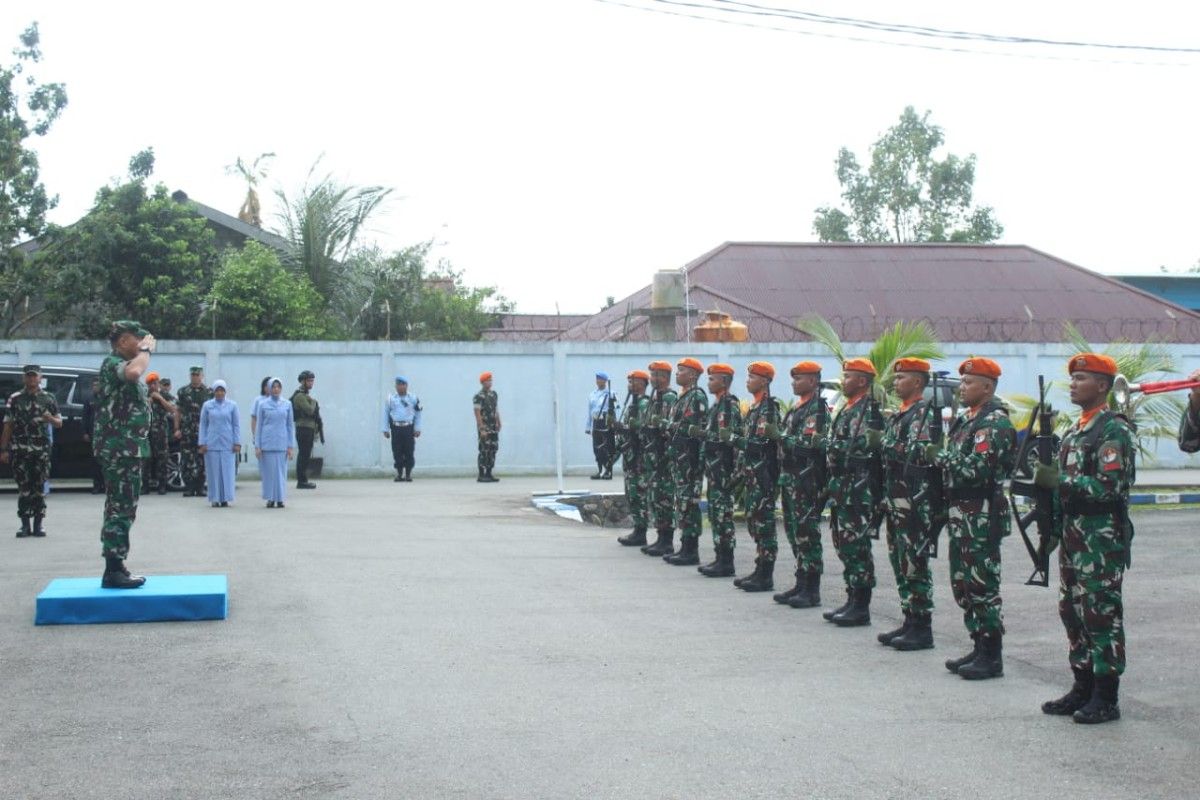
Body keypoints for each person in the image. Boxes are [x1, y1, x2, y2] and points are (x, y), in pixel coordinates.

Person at [1036, 353, 1134, 724]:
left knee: (1100, 613)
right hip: (1074, 535)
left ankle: (1106, 696)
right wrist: (1052, 530)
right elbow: (1062, 494)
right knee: (1072, 611)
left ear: (1103, 386)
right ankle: (1082, 685)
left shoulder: (1113, 431)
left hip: (1100, 536)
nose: (1074, 383)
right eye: (1073, 378)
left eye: (1082, 378)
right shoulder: (1076, 430)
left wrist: (1059, 481)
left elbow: (1110, 487)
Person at [928, 357, 1015, 680]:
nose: (961, 388)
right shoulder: (968, 421)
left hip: (981, 513)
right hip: (961, 513)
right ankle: (978, 645)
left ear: (987, 387)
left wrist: (943, 457)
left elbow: (978, 470)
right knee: (963, 584)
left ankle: (992, 655)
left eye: (968, 383)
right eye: (961, 382)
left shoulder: (994, 423)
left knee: (981, 585)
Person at [878, 358, 937, 651]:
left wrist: (885, 444)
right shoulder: (901, 415)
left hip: (913, 501)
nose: (896, 382)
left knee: (914, 562)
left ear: (917, 382)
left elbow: (917, 454)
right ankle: (909, 619)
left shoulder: (921, 416)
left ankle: (922, 627)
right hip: (895, 498)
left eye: (902, 378)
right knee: (900, 561)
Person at [94, 320, 155, 589]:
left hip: (127, 448)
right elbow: (133, 373)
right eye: (136, 339)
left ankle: (116, 566)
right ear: (122, 341)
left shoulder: (124, 364)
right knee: (120, 507)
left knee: (123, 507)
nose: (140, 343)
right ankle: (113, 570)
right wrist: (147, 351)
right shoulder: (112, 363)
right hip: (119, 448)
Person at [824, 357, 882, 627]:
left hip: (858, 490)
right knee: (844, 544)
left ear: (862, 381)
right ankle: (851, 598)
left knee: (857, 547)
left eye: (848, 376)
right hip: (842, 488)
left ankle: (861, 606)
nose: (843, 380)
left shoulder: (869, 411)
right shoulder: (848, 409)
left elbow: (866, 447)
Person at [774, 362, 830, 609]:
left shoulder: (817, 410)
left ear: (813, 381)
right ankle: (800, 582)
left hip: (806, 479)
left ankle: (811, 589)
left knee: (807, 533)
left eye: (800, 378)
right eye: (794, 378)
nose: (794, 382)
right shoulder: (797, 408)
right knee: (795, 532)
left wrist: (781, 437)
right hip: (791, 479)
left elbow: (808, 444)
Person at [731, 361, 782, 591]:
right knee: (754, 522)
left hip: (763, 475)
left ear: (764, 381)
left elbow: (760, 445)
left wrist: (734, 440)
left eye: (753, 377)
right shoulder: (755, 409)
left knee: (764, 524)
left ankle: (766, 574)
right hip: (752, 475)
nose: (748, 380)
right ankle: (759, 568)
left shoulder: (769, 409)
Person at [1, 364, 62, 538]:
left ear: (40, 378)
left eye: (34, 376)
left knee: (39, 488)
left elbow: (59, 422)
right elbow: (8, 424)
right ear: (23, 378)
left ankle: (39, 524)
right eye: (28, 376)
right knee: (24, 488)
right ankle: (24, 525)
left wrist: (49, 418)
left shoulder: (49, 398)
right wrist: (4, 449)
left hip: (41, 450)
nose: (32, 379)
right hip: (20, 449)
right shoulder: (15, 398)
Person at [693, 363, 742, 577]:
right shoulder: (716, 405)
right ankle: (719, 557)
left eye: (712, 379)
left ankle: (727, 561)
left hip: (723, 469)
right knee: (715, 513)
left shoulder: (729, 405)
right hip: (713, 469)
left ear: (723, 381)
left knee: (723, 514)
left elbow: (733, 438)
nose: (708, 382)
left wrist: (709, 437)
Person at [662, 358, 708, 564]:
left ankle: (691, 549)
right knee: (681, 503)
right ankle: (684, 546)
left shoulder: (696, 396)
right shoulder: (683, 397)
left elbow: (696, 428)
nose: (677, 374)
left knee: (689, 503)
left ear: (692, 375)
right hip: (679, 459)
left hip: (689, 459)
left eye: (681, 371)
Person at [640, 361, 678, 556]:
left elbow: (671, 426)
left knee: (665, 497)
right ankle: (660, 536)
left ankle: (667, 540)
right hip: (654, 455)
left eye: (656, 375)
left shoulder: (669, 398)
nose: (652, 379)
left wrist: (660, 424)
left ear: (664, 377)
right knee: (656, 496)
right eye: (652, 375)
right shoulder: (656, 397)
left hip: (664, 455)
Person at [616, 370, 652, 546]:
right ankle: (637, 529)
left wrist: (630, 427)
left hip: (639, 458)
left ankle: (641, 531)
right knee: (631, 494)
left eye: (634, 381)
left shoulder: (644, 404)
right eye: (629, 381)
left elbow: (644, 429)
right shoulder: (631, 404)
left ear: (642, 384)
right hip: (630, 456)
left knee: (639, 494)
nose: (630, 385)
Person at [199, 380, 241, 507]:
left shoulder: (232, 405)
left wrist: (237, 442)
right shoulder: (207, 405)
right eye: (217, 390)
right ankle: (215, 498)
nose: (219, 393)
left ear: (225, 391)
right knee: (213, 472)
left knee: (227, 472)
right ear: (213, 391)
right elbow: (203, 424)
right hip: (211, 443)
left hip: (228, 443)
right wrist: (202, 442)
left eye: (222, 390)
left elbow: (236, 425)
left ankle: (225, 498)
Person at [255, 378, 295, 509]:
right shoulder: (263, 404)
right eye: (273, 387)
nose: (276, 389)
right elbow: (259, 426)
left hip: (281, 443)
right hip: (267, 443)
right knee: (269, 473)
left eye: (278, 387)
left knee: (281, 473)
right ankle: (270, 498)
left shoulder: (287, 404)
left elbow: (290, 426)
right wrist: (258, 446)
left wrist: (290, 446)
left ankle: (280, 498)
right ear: (269, 388)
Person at [176, 366, 212, 497]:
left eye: (197, 375)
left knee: (202, 459)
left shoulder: (209, 392)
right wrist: (177, 428)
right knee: (187, 459)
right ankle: (189, 487)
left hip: (203, 431)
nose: (195, 377)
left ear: (202, 376)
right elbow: (178, 411)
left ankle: (200, 486)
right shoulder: (183, 392)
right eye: (193, 375)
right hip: (187, 430)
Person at [144, 372, 181, 495]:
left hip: (160, 432)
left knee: (162, 459)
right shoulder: (143, 395)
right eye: (151, 384)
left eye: (155, 383)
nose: (153, 386)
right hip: (145, 433)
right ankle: (145, 486)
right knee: (145, 460)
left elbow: (173, 410)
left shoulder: (164, 395)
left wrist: (160, 398)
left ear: (158, 384)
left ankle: (162, 486)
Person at [382, 376, 422, 481]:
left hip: (408, 428)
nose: (399, 387)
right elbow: (385, 413)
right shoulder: (391, 399)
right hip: (396, 428)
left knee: (409, 450)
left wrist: (417, 428)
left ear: (406, 386)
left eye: (402, 385)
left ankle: (408, 474)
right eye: (398, 385)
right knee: (397, 451)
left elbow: (418, 414)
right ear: (395, 386)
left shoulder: (413, 398)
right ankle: (399, 474)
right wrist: (385, 429)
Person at [291, 370, 322, 489]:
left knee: (306, 454)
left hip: (308, 428)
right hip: (303, 428)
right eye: (309, 381)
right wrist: (313, 402)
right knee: (304, 454)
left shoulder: (305, 395)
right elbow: (309, 410)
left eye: (312, 381)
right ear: (303, 382)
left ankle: (303, 480)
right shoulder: (299, 396)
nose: (311, 383)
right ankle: (301, 481)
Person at [586, 372, 618, 480]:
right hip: (596, 421)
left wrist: (615, 424)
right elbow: (590, 411)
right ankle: (600, 470)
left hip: (605, 421)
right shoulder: (592, 394)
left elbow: (616, 408)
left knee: (606, 447)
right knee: (596, 447)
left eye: (600, 379)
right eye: (597, 379)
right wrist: (588, 426)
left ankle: (608, 471)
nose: (598, 381)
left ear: (605, 381)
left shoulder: (611, 393)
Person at [473, 372, 501, 482]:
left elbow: (496, 409)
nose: (490, 382)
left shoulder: (494, 394)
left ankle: (489, 473)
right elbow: (477, 412)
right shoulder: (478, 396)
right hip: (485, 426)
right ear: (482, 382)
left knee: (493, 449)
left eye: (491, 380)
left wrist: (499, 421)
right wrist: (481, 428)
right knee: (484, 449)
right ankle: (481, 474)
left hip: (493, 426)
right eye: (487, 380)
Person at [81, 377, 104, 494]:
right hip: (93, 434)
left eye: (98, 385)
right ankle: (96, 485)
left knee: (105, 461)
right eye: (94, 385)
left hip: (106, 435)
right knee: (95, 461)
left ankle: (105, 485)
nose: (96, 387)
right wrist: (85, 432)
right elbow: (84, 417)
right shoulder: (89, 399)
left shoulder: (106, 398)